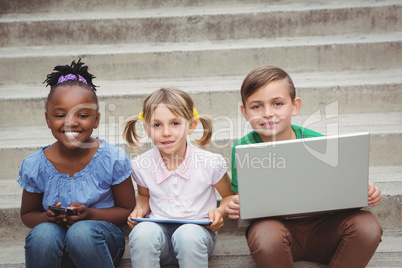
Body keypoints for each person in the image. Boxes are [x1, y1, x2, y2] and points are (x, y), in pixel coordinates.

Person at [225, 66, 383, 268]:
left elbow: (344, 184)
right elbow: (237, 197)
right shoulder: (243, 148)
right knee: (265, 235)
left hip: (326, 231)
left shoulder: (320, 144)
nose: (267, 113)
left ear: (294, 106)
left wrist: (367, 190)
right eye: (256, 107)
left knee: (367, 226)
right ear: (244, 112)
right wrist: (236, 204)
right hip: (276, 233)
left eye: (277, 104)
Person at [18, 59, 135, 268]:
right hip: (54, 246)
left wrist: (90, 214)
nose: (70, 122)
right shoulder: (35, 165)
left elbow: (127, 210)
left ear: (96, 120)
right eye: (60, 115)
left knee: (80, 232)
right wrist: (48, 217)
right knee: (43, 234)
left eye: (82, 115)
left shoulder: (112, 158)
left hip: (99, 243)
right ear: (47, 119)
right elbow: (27, 215)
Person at [123, 87, 235, 267]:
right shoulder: (142, 165)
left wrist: (219, 212)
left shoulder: (210, 163)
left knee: (187, 235)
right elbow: (144, 196)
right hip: (159, 240)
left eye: (175, 123)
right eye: (157, 125)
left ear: (191, 126)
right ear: (146, 128)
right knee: (142, 233)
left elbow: (229, 196)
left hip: (197, 237)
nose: (166, 132)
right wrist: (139, 210)